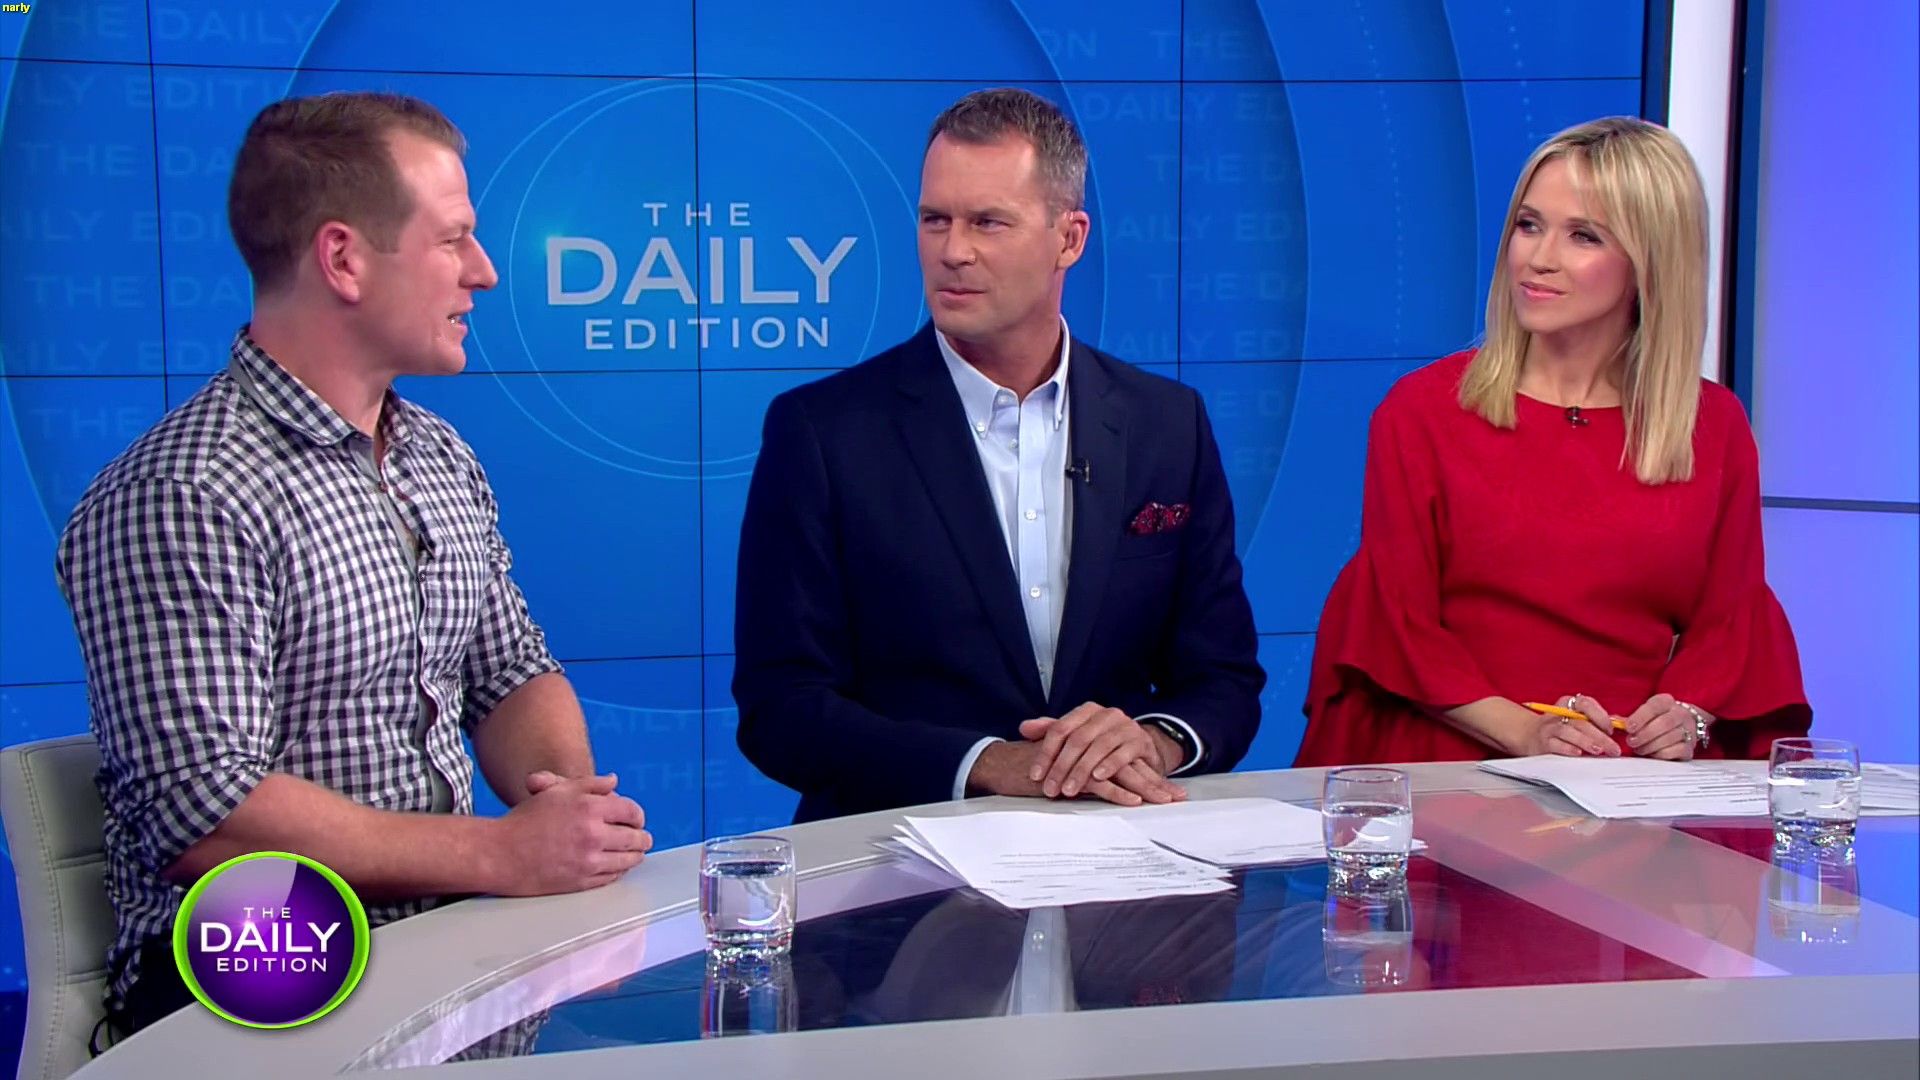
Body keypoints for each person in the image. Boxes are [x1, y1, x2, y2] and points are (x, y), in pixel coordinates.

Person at [57, 92, 652, 1039]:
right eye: (452, 240)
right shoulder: (184, 492)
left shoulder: (437, 455)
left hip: (451, 954)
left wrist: (564, 814)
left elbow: (508, 672)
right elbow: (209, 813)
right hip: (252, 982)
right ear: (342, 259)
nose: (485, 272)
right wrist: (500, 856)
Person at [733, 88, 1264, 822]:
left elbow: (1225, 681)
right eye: (935, 220)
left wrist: (1153, 741)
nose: (953, 251)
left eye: (988, 221)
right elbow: (781, 709)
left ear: (1069, 239)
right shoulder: (823, 432)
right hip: (899, 865)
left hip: (1119, 859)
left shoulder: (1168, 424)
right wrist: (983, 763)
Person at [1296, 117, 1810, 769]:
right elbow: (1396, 620)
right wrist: (1524, 734)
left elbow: (1731, 622)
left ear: (1651, 262)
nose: (1538, 258)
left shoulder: (1712, 425)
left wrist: (1686, 715)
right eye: (1529, 225)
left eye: (1583, 236)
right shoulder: (1423, 411)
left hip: (1635, 773)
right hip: (1458, 762)